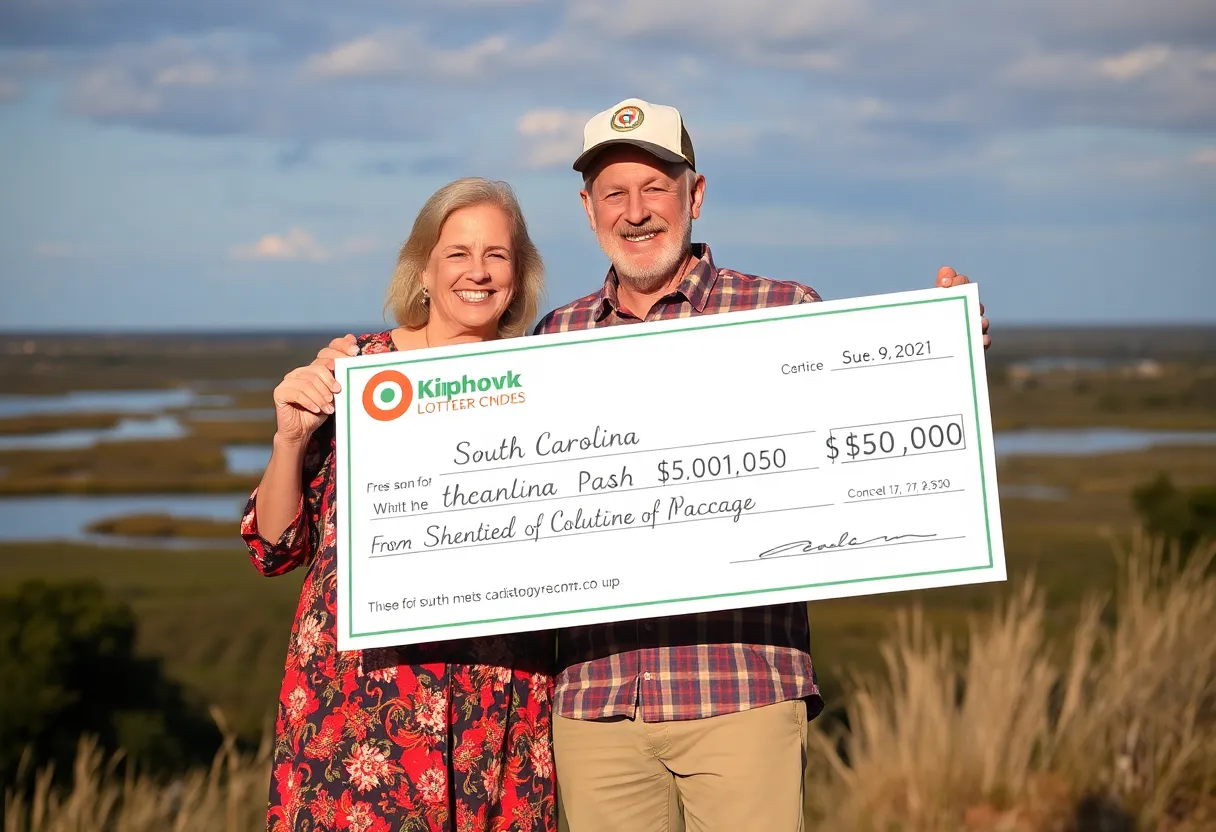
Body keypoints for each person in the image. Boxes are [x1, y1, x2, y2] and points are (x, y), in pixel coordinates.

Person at [316, 98, 992, 832]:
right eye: (614, 193)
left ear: (695, 195)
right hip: (595, 708)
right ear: (588, 209)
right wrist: (351, 371)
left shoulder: (783, 311)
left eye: (655, 188)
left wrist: (941, 352)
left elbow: (866, 437)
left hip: (741, 692)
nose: (635, 212)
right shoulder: (554, 337)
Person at [241, 177, 557, 832]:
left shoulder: (547, 378)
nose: (478, 272)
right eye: (458, 253)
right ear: (423, 269)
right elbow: (274, 550)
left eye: (497, 255)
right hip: (363, 700)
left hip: (497, 695)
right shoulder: (356, 371)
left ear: (519, 274)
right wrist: (290, 439)